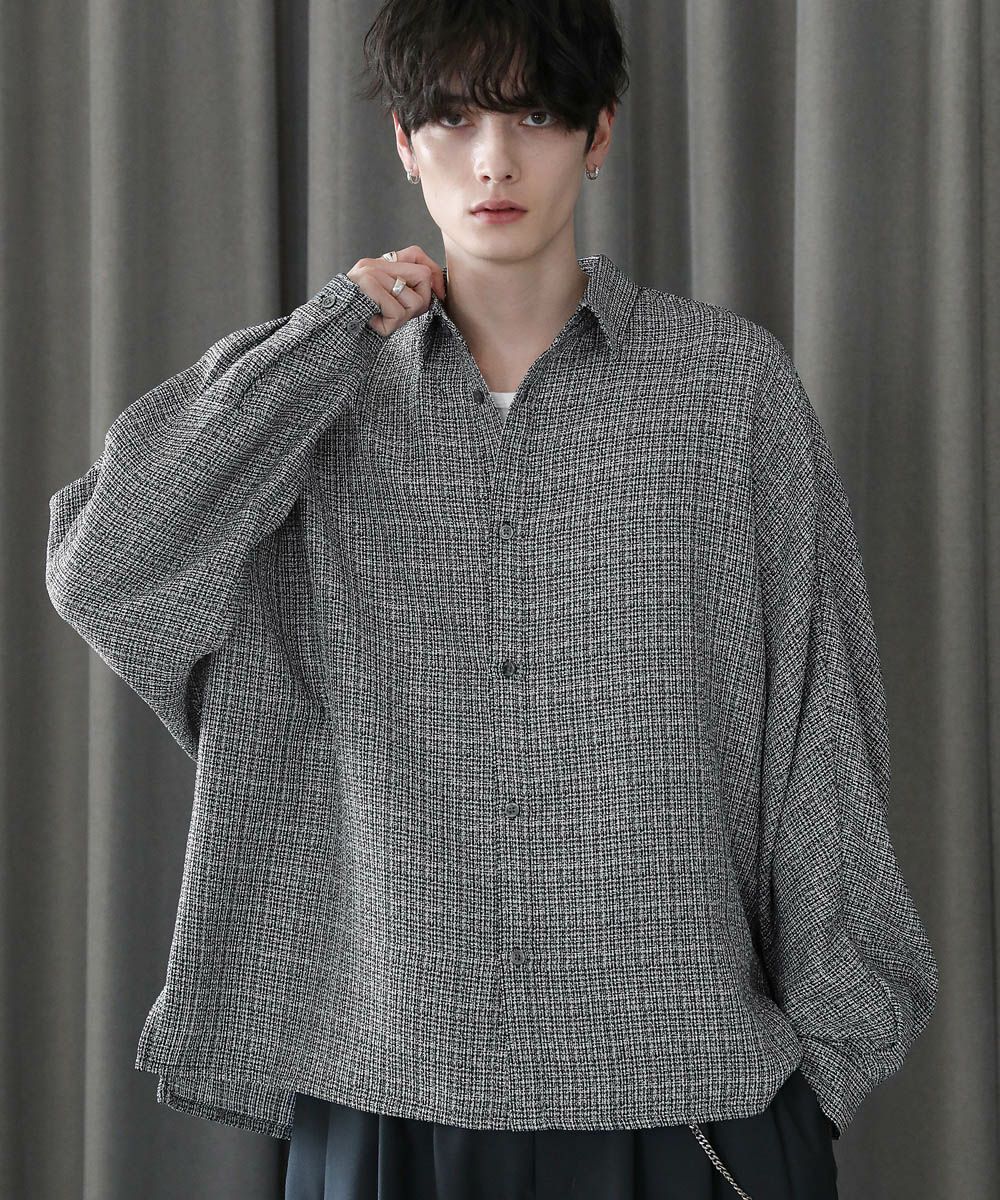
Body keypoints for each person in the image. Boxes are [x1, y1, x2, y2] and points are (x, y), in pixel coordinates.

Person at [45, 1, 937, 1197]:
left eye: (535, 116)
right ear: (403, 143)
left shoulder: (727, 394)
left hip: (683, 1098)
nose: (494, 160)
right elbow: (108, 565)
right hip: (384, 1093)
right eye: (454, 118)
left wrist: (822, 1073)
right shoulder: (314, 405)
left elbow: (821, 728)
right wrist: (329, 335)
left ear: (598, 132)